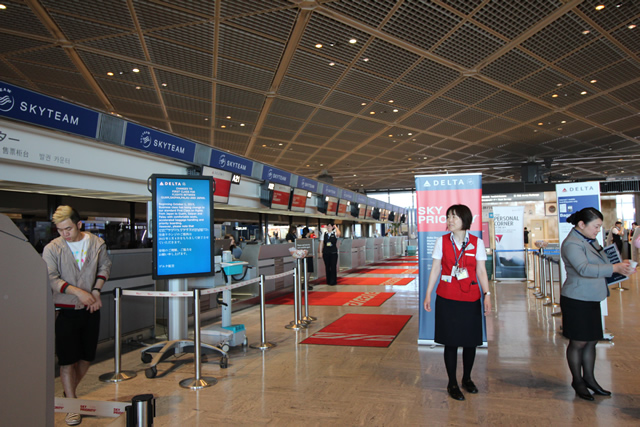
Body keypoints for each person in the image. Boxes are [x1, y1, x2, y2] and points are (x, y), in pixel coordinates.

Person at [42, 206, 112, 426]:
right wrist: (78, 292)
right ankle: (72, 405)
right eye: (60, 229)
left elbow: (105, 267)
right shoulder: (52, 249)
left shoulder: (96, 243)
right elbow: (51, 278)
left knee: (87, 357)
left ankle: (68, 393)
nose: (65, 233)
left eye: (68, 228)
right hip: (65, 310)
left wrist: (95, 291)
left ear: (79, 225)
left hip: (91, 309)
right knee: (67, 360)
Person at [560, 208, 635, 401]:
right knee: (578, 341)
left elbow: (601, 261)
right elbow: (584, 268)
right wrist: (614, 268)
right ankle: (578, 381)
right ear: (582, 224)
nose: (597, 231)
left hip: (591, 297)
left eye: (600, 227)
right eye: (596, 226)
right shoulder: (572, 243)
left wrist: (620, 266)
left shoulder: (590, 240)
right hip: (577, 299)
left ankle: (590, 379)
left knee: (592, 340)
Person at [423, 204, 491, 401]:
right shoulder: (441, 241)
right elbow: (435, 269)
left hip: (470, 297)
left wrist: (487, 294)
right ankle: (452, 382)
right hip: (447, 297)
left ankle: (467, 379)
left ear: (465, 220)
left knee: (470, 342)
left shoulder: (477, 243)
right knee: (450, 342)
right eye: (448, 217)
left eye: (454, 217)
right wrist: (428, 293)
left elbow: (481, 271)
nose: (449, 221)